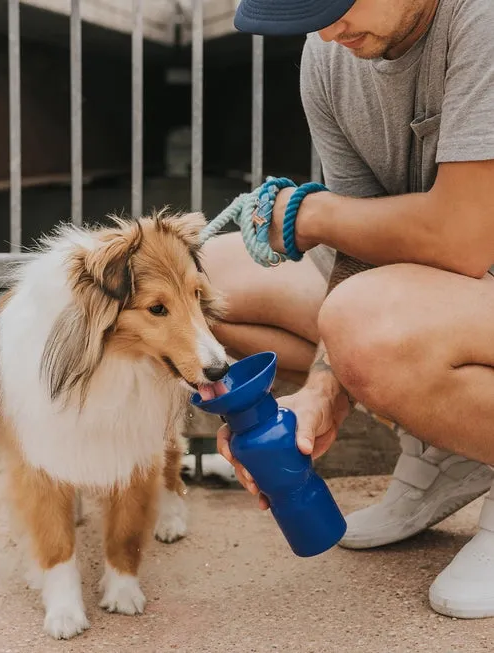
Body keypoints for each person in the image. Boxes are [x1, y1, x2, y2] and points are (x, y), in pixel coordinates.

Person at [202, 0, 494, 619]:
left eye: (334, 3)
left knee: (366, 323)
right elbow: (364, 255)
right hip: (463, 297)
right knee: (207, 283)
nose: (326, 30)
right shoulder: (332, 53)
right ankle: (452, 448)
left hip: (471, 273)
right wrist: (320, 396)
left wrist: (315, 214)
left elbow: (464, 241)